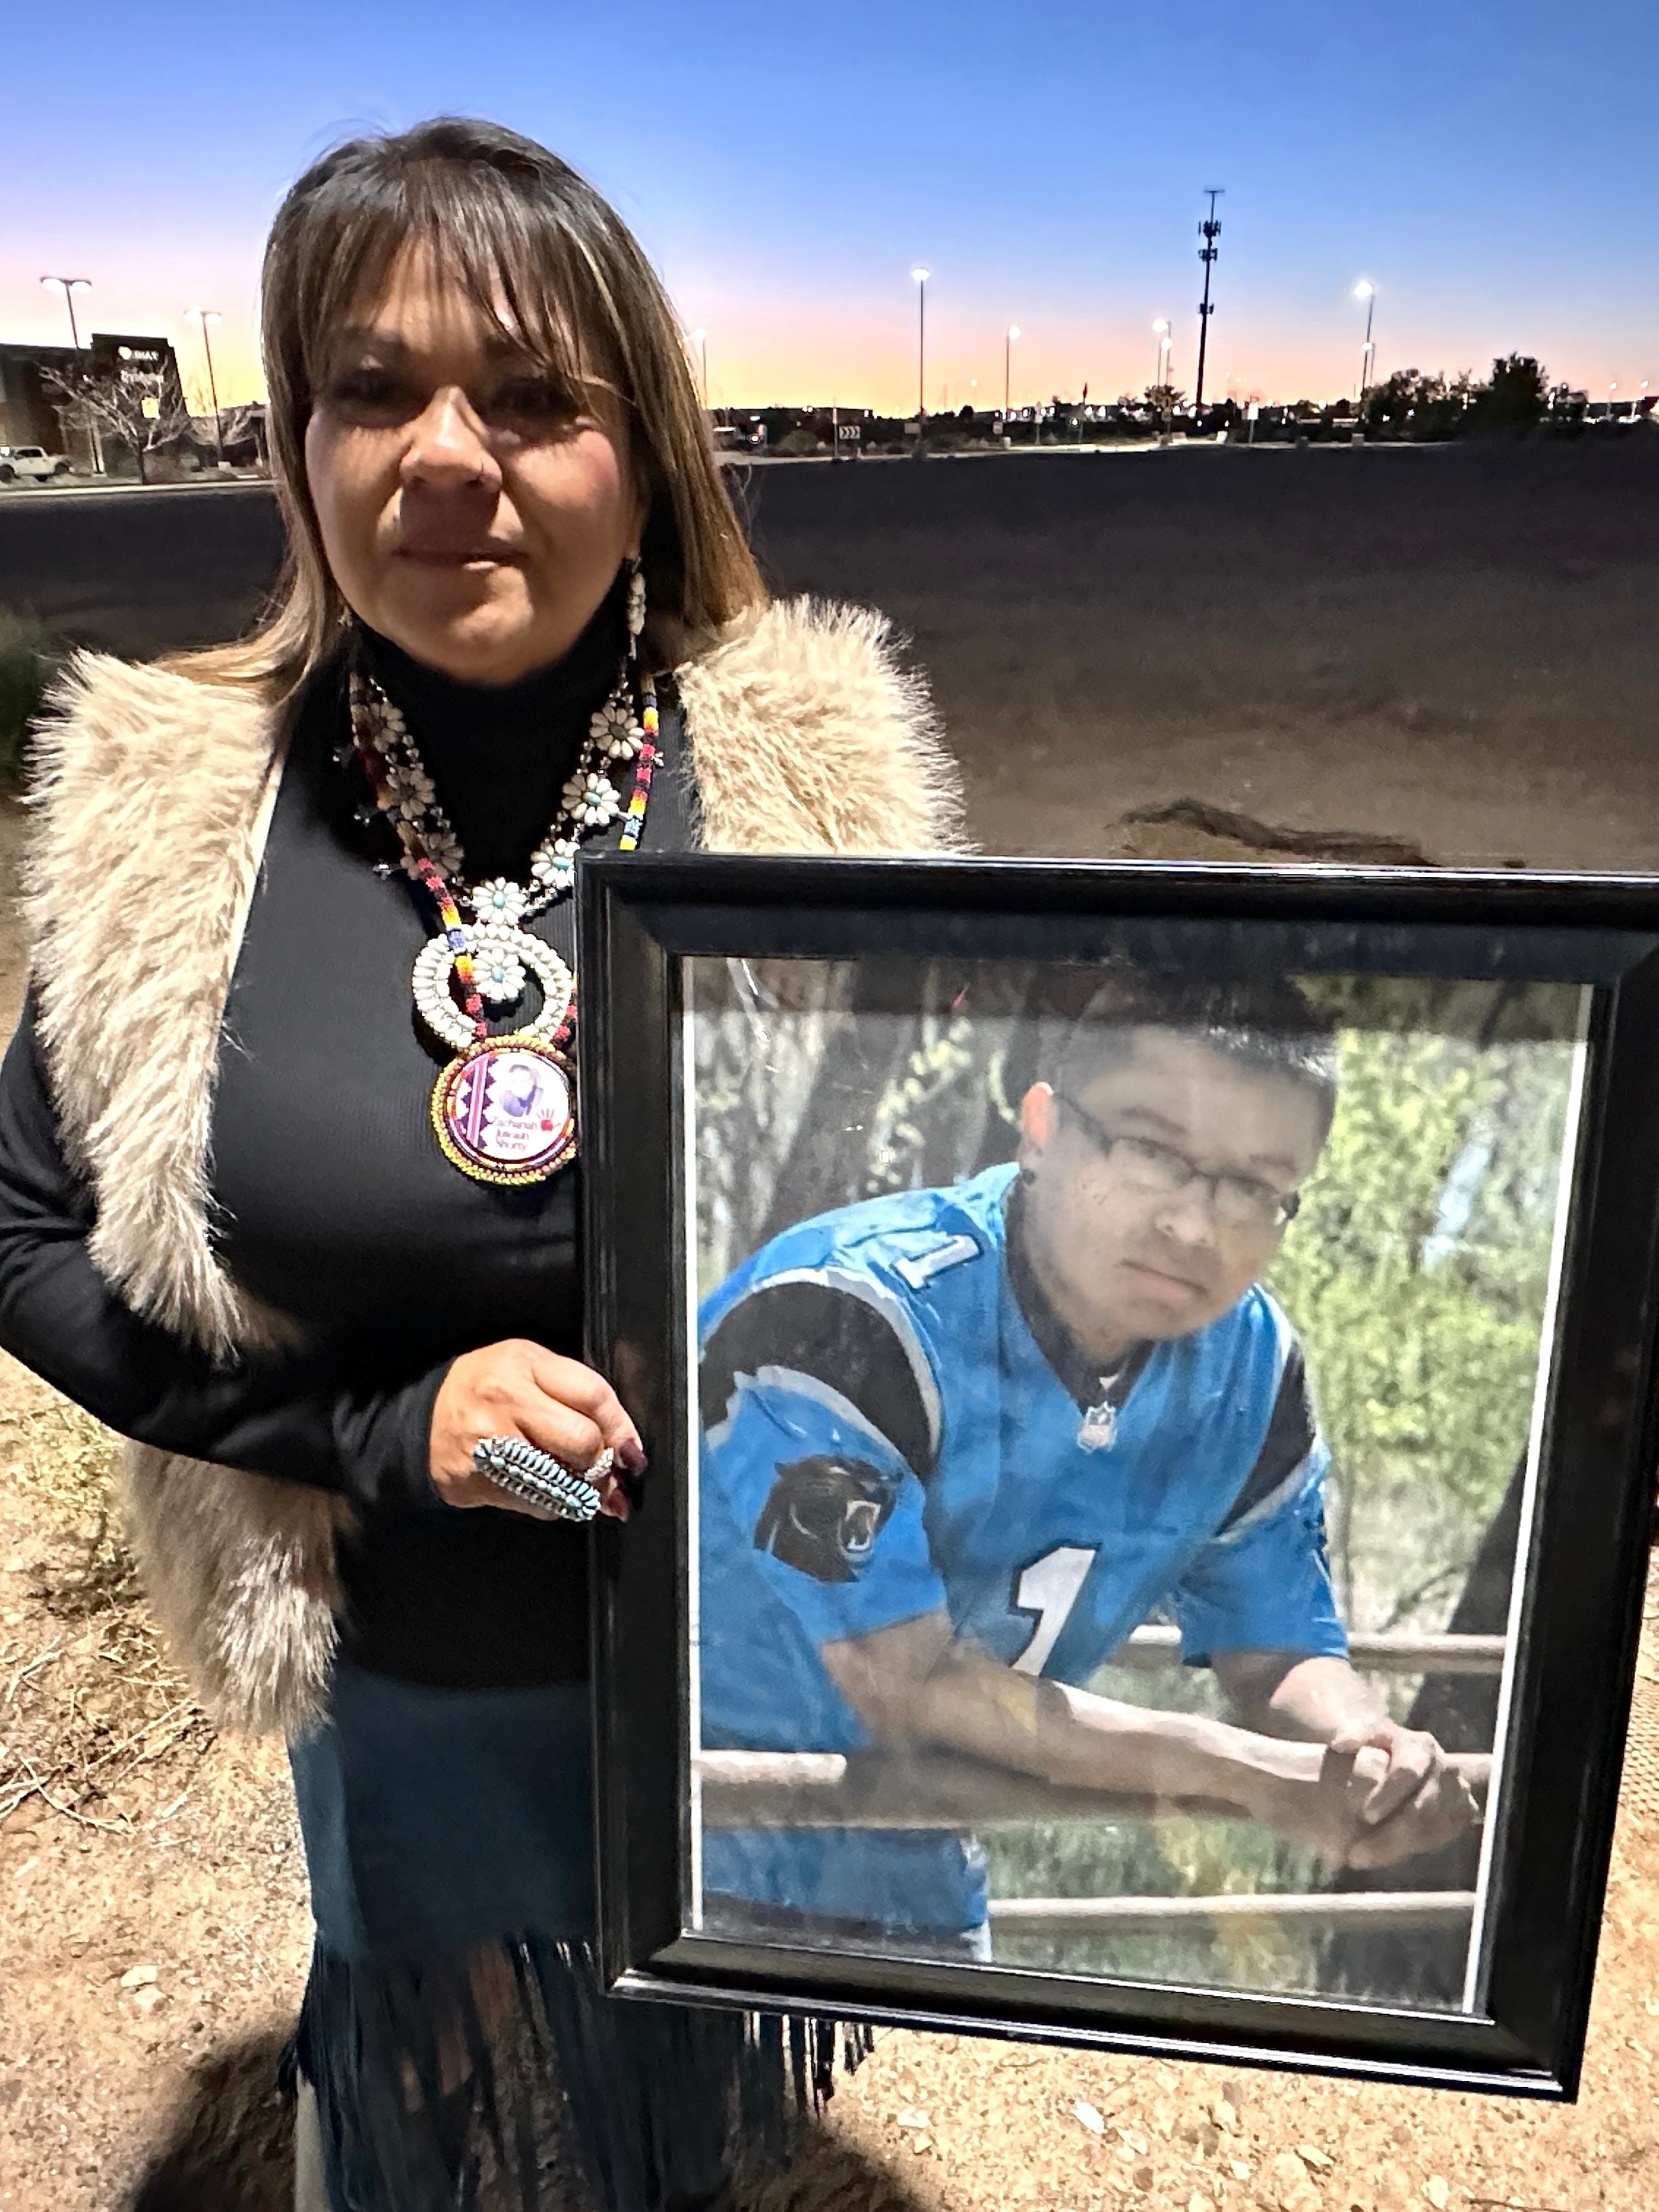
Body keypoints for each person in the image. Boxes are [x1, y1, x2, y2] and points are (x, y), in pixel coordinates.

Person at [0, 120, 963, 2211]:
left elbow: (957, 1212)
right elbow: (20, 1230)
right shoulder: (164, 813)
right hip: (412, 1675)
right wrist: (372, 1424)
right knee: (447, 2113)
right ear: (301, 440)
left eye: (534, 396)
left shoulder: (824, 776)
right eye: (374, 388)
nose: (449, 454)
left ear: (647, 446)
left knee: (691, 2122)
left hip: (750, 1659)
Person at [696, 973, 1481, 1955]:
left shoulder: (1253, 1374)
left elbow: (1277, 1652)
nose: (1195, 1226)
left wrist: (1367, 1744)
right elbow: (902, 1679)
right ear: (1040, 1127)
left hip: (920, 1872)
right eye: (1152, 1152)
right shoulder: (844, 1314)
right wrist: (1229, 1769)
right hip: (676, 1853)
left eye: (1252, 1187)